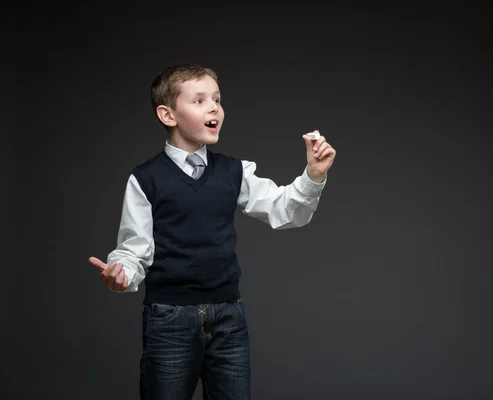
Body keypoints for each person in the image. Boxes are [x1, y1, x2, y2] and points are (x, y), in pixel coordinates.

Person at [88, 64, 336, 400]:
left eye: (217, 99)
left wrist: (313, 175)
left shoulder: (235, 171)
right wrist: (122, 274)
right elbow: (134, 249)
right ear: (168, 114)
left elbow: (284, 209)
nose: (214, 107)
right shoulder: (146, 178)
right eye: (199, 100)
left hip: (229, 316)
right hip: (169, 319)